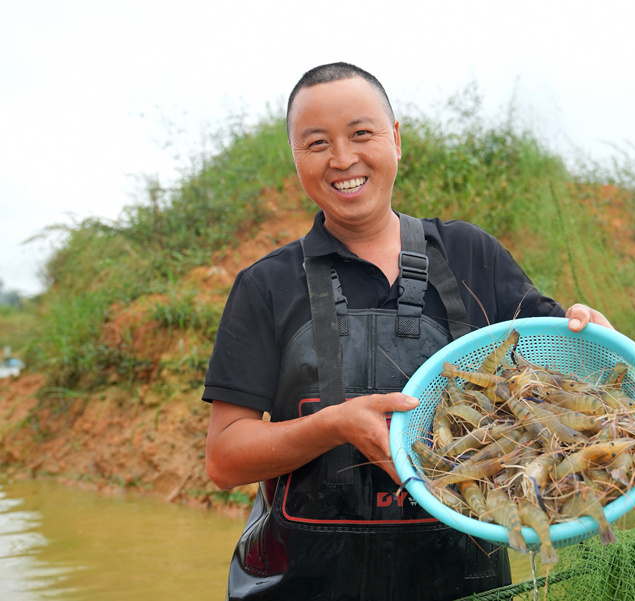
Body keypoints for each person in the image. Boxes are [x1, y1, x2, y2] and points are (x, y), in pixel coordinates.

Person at [202, 62, 613, 601]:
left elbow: (565, 377)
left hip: (462, 586)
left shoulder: (471, 256)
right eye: (317, 142)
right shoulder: (266, 286)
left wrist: (593, 337)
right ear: (296, 159)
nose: (343, 159)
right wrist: (333, 425)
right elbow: (225, 458)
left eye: (361, 133)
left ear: (395, 139)